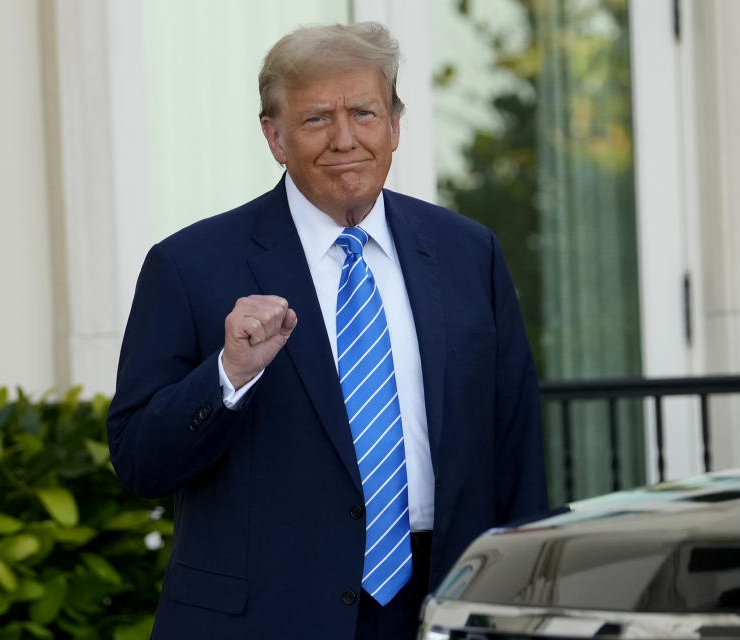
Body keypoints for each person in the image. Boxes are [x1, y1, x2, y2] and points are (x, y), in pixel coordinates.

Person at [108, 22, 548, 640]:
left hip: (443, 605)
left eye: (364, 113)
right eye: (316, 118)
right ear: (274, 136)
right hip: (267, 617)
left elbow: (516, 447)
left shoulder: (469, 253)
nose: (345, 139)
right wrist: (229, 374)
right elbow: (138, 463)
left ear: (394, 126)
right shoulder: (189, 267)